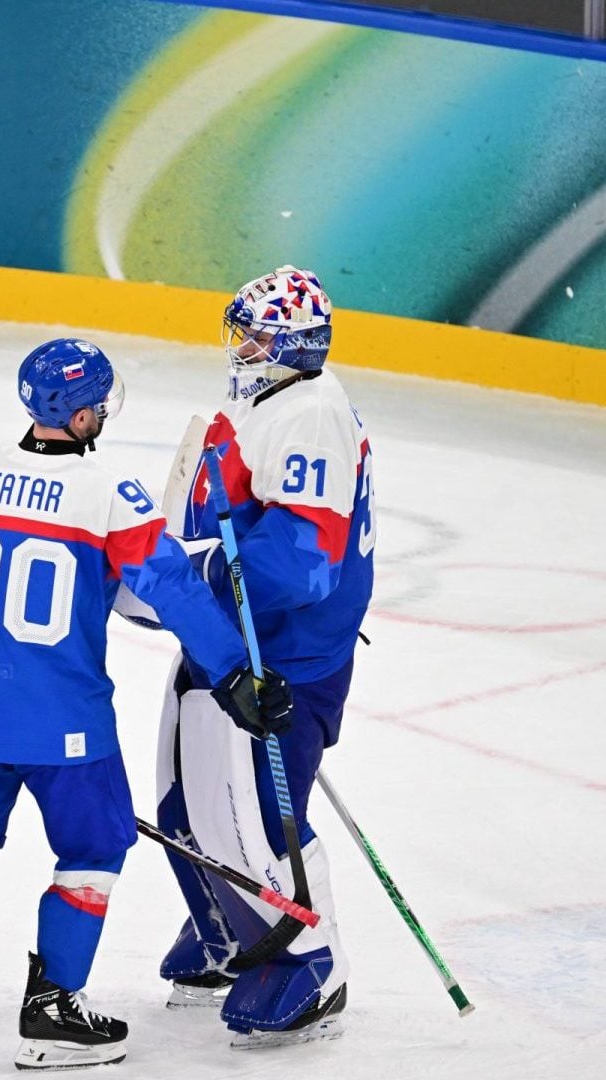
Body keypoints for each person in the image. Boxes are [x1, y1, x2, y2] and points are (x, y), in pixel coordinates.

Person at [0, 338, 290, 1070]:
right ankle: (53, 1007)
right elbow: (171, 590)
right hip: (67, 724)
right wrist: (234, 674)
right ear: (86, 413)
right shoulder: (108, 493)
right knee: (92, 850)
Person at [152, 265, 375, 1048]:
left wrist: (196, 574)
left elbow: (305, 562)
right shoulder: (271, 396)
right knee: (185, 803)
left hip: (285, 656)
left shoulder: (312, 417)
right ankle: (234, 929)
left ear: (290, 345)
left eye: (252, 333)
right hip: (230, 639)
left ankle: (312, 957)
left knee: (256, 818)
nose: (237, 345)